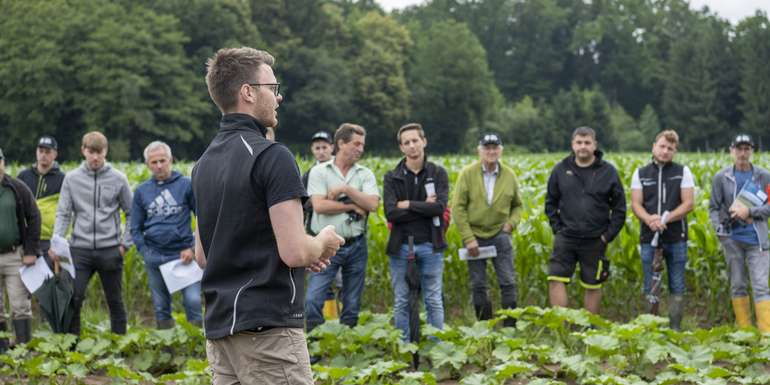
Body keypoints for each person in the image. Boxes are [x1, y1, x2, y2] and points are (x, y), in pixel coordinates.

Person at [192, 47, 343, 385]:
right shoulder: (272, 156)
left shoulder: (202, 165)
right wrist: (322, 243)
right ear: (248, 92)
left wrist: (304, 247)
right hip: (268, 329)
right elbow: (294, 252)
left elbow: (204, 255)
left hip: (220, 330)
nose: (279, 98)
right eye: (273, 89)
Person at [50, 131, 133, 335]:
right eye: (91, 152)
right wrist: (57, 242)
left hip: (110, 249)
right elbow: (63, 213)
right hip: (80, 249)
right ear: (83, 151)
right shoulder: (72, 179)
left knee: (115, 300)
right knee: (74, 298)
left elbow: (132, 213)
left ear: (106, 152)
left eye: (99, 152)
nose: (95, 157)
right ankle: (72, 346)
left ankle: (119, 345)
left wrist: (124, 245)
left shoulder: (118, 178)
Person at [305, 123, 380, 332]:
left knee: (352, 303)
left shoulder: (365, 174)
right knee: (313, 299)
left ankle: (347, 347)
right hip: (326, 245)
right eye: (356, 144)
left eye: (362, 145)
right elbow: (320, 206)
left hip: (356, 244)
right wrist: (353, 205)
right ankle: (317, 343)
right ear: (341, 143)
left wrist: (345, 189)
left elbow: (373, 204)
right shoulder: (319, 172)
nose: (360, 149)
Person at [545, 126, 626, 314]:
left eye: (587, 142)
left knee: (593, 284)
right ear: (572, 145)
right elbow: (550, 202)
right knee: (555, 279)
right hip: (566, 237)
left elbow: (620, 209)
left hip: (595, 239)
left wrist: (607, 236)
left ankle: (589, 329)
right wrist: (558, 229)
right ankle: (561, 328)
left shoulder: (608, 172)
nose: (583, 146)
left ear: (594, 145)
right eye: (579, 142)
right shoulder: (560, 169)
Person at [384, 123, 448, 339]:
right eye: (406, 142)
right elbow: (391, 213)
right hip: (401, 246)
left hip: (431, 245)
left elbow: (439, 208)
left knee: (433, 299)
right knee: (402, 299)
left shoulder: (438, 173)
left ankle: (436, 347)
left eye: (415, 140)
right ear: (401, 148)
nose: (412, 146)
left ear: (424, 141)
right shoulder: (392, 177)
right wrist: (424, 206)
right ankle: (405, 347)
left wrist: (408, 204)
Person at [130, 141, 201, 329]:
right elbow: (135, 228)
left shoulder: (186, 185)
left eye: (163, 160)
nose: (159, 165)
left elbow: (202, 218)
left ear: (171, 160)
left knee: (193, 302)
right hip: (156, 256)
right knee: (161, 307)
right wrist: (145, 252)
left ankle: (197, 349)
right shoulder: (141, 191)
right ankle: (167, 350)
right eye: (154, 162)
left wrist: (193, 248)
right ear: (147, 165)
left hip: (183, 255)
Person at [452, 133, 522, 326]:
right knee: (479, 285)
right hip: (474, 236)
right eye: (487, 148)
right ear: (479, 151)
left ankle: (510, 329)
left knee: (508, 283)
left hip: (500, 235)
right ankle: (485, 328)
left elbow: (518, 205)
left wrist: (510, 225)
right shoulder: (467, 174)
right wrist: (468, 238)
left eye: (495, 147)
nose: (491, 151)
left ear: (501, 150)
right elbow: (457, 208)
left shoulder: (509, 175)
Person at [630, 130, 694, 330]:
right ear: (654, 147)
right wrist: (650, 220)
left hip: (676, 237)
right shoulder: (640, 173)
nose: (665, 151)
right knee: (651, 285)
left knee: (677, 284)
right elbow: (636, 204)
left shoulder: (683, 172)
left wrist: (667, 218)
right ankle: (652, 327)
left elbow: (688, 203)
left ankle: (675, 328)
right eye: (662, 146)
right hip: (649, 237)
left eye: (670, 148)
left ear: (675, 151)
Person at [709, 134, 770, 333]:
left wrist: (750, 212)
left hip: (757, 240)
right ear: (731, 151)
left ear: (752, 151)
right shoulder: (721, 177)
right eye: (739, 149)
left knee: (761, 286)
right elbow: (714, 208)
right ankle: (744, 333)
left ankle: (765, 335)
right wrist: (720, 231)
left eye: (747, 149)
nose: (743, 153)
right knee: (737, 285)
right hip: (732, 240)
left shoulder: (764, 176)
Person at [0, 148, 40, 352]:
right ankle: (3, 350)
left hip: (14, 255)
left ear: (3, 163)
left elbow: (34, 216)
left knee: (20, 305)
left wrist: (31, 250)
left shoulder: (16, 187)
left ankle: (24, 350)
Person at [301, 130, 340, 318]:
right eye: (317, 148)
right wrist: (318, 201)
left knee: (340, 284)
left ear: (332, 148)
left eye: (325, 147)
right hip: (317, 233)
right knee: (321, 281)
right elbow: (302, 204)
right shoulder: (308, 175)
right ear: (312, 150)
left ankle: (337, 321)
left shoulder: (341, 171)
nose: (321, 151)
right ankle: (324, 326)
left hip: (341, 233)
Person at [16, 136, 65, 255]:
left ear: (55, 154)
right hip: (25, 237)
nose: (43, 155)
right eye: (41, 151)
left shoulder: (63, 179)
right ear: (36, 152)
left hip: (48, 239)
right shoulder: (23, 176)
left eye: (48, 152)